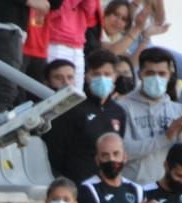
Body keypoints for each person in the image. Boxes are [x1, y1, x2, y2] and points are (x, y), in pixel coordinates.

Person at [119, 47, 182, 187]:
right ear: (140, 74)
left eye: (162, 73)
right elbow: (122, 152)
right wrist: (167, 136)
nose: (156, 78)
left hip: (164, 190)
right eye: (150, 73)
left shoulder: (177, 110)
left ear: (170, 75)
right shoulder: (122, 107)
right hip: (131, 186)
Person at [42, 50, 127, 186]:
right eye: (96, 74)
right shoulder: (72, 108)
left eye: (107, 74)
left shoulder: (119, 112)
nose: (102, 78)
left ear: (115, 76)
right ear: (87, 76)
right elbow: (55, 153)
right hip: (75, 186)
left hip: (105, 188)